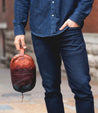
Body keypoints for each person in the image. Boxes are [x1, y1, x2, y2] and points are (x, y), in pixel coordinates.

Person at [13, 0, 95, 113]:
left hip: (69, 30)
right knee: (51, 89)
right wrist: (18, 29)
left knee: (82, 85)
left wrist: (76, 18)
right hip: (40, 32)